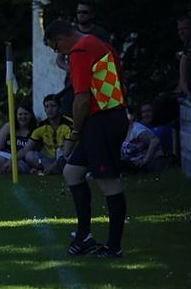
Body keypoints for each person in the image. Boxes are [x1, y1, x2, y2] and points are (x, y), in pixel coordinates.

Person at [45, 18, 129, 258]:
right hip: (107, 118)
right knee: (72, 172)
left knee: (108, 182)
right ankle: (84, 236)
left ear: (61, 39)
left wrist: (74, 134)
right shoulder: (96, 43)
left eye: (55, 47)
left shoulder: (79, 51)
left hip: (102, 121)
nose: (58, 52)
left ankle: (114, 247)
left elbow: (81, 99)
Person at [22, 94, 74, 175]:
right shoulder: (41, 126)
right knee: (29, 155)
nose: (50, 109)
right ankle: (52, 170)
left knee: (63, 153)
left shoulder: (68, 124)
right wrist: (11, 161)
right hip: (49, 160)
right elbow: (26, 149)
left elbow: (66, 152)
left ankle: (51, 170)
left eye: (53, 106)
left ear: (60, 108)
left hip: (64, 158)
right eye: (47, 107)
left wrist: (53, 166)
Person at [120, 104, 167, 173]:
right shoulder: (125, 130)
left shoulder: (137, 129)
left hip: (152, 163)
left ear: (132, 116)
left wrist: (145, 159)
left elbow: (155, 140)